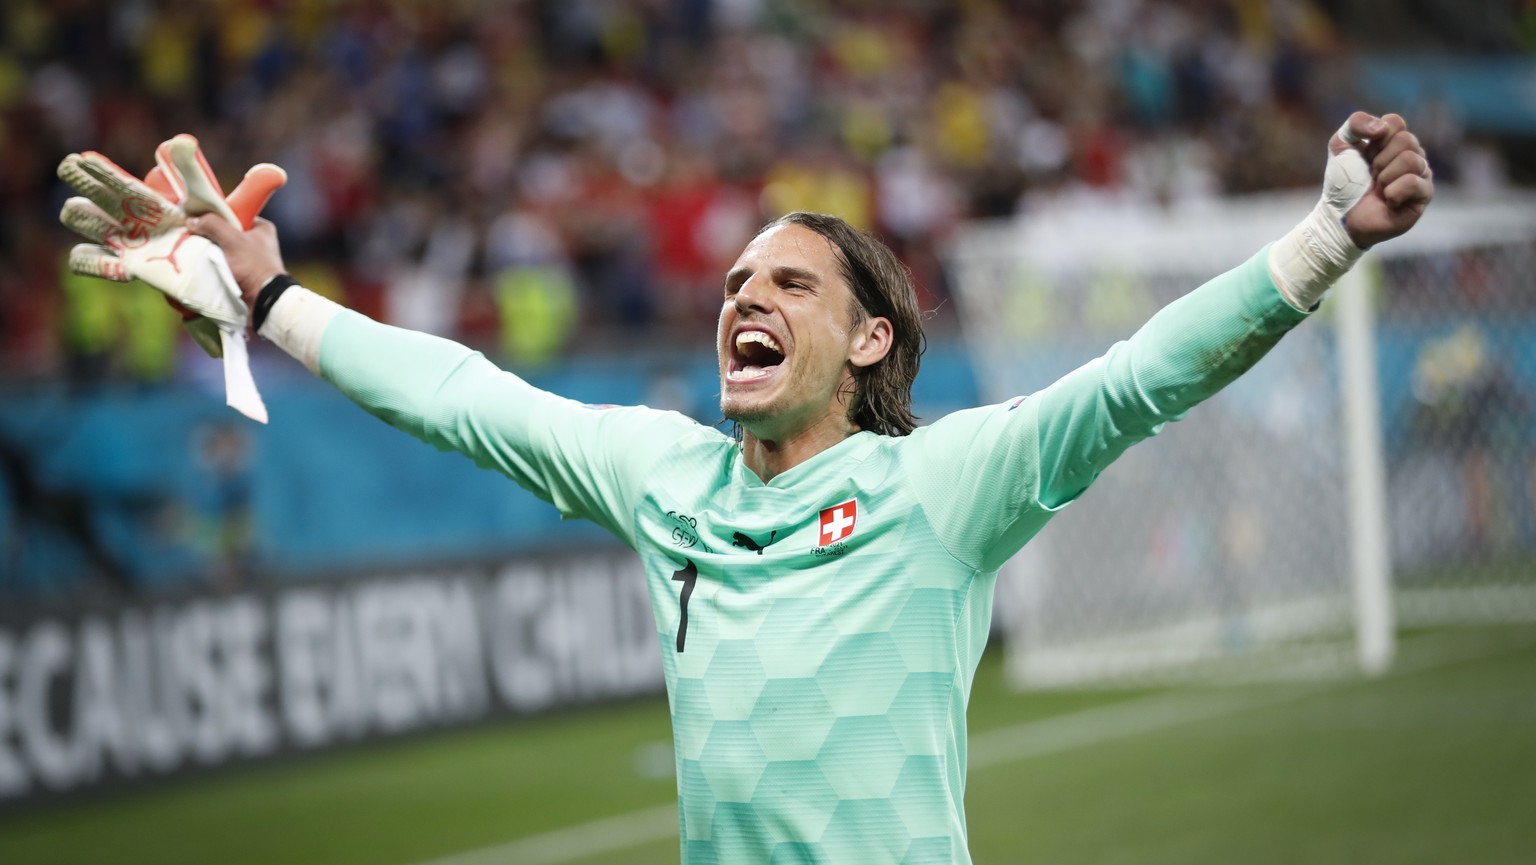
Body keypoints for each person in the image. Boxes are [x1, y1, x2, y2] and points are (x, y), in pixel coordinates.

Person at [60, 111, 1432, 863]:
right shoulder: (668, 478)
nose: (745, 300)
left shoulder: (941, 485)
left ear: (872, 338)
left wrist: (1323, 242)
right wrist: (275, 296)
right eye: (733, 284)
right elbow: (471, 399)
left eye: (789, 283)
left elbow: (1137, 378)